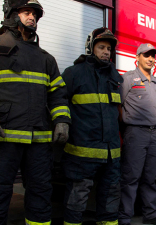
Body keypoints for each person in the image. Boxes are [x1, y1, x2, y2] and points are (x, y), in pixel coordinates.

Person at [0, 0, 71, 224]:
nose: (32, 18)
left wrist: (61, 120)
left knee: (40, 193)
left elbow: (58, 95)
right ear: (13, 15)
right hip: (5, 139)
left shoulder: (46, 59)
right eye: (27, 12)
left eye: (35, 15)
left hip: (39, 142)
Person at [61, 27, 123, 225]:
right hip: (81, 154)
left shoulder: (115, 77)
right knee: (76, 200)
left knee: (111, 200)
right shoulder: (74, 73)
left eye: (109, 49)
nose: (106, 52)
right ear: (91, 47)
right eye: (102, 47)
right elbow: (58, 101)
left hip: (111, 154)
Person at [119, 43, 156, 225]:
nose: (150, 59)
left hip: (153, 135)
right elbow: (118, 106)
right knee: (130, 178)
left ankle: (152, 215)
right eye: (146, 55)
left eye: (152, 55)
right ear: (137, 58)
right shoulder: (127, 79)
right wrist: (126, 128)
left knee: (150, 177)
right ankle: (124, 217)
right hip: (135, 134)